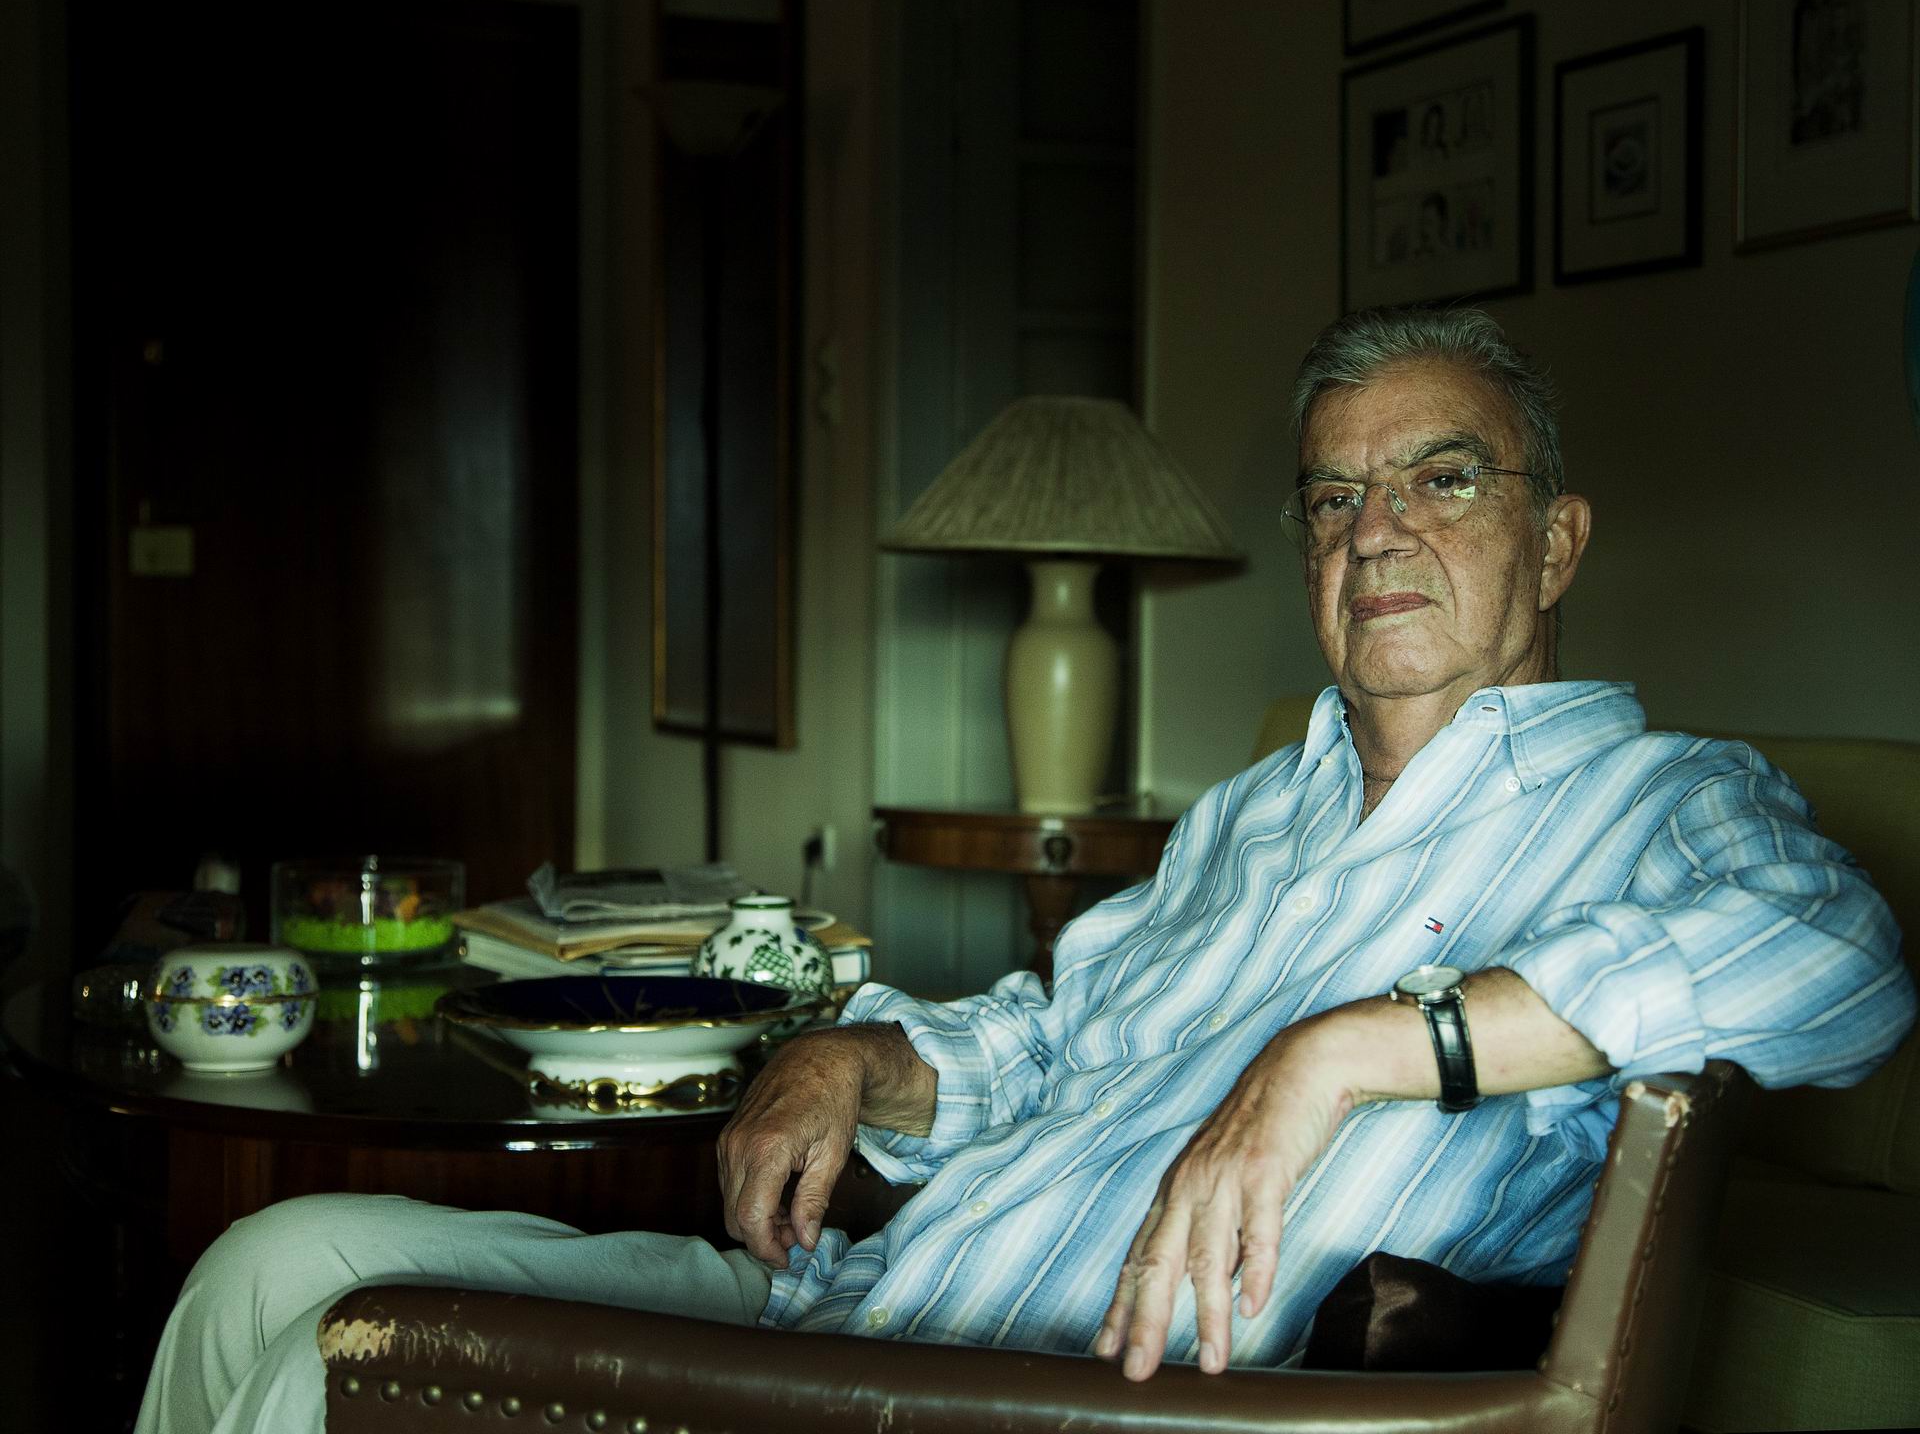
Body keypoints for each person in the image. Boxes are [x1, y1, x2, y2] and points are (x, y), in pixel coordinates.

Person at [137, 306, 1915, 1433]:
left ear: (1558, 541)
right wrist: (855, 1057)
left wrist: (1357, 1049)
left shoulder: (1659, 796)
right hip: (851, 1303)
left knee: (320, 1379)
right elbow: (1049, 1040)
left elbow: (1839, 959)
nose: (1375, 530)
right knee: (275, 1260)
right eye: (1331, 497)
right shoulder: (1251, 814)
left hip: (1012, 1394)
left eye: (1441, 481)